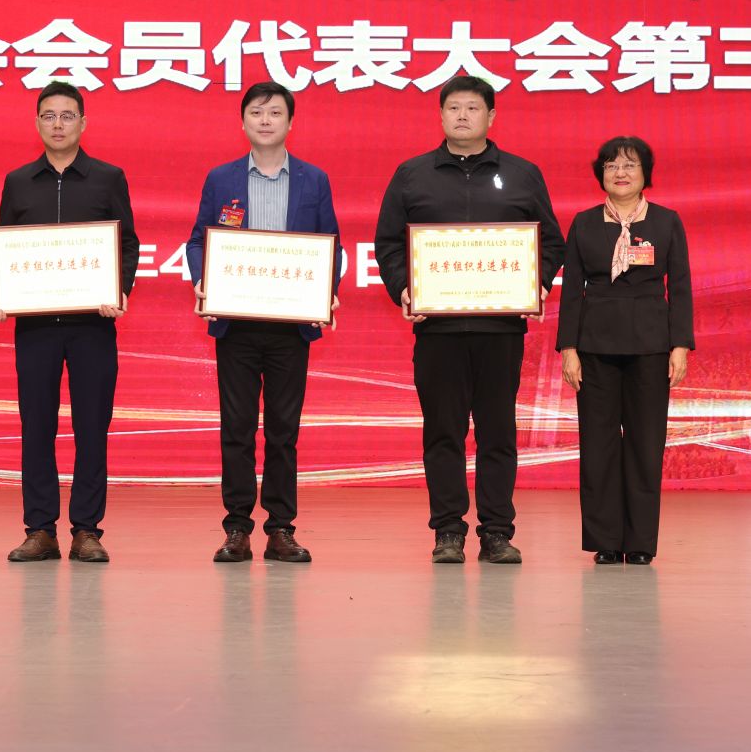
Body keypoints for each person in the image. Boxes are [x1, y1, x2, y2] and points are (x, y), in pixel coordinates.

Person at [373, 75, 566, 564]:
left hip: (500, 329)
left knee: (498, 432)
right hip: (437, 329)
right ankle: (448, 531)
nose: (462, 116)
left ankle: (497, 532)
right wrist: (404, 287)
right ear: (441, 116)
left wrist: (537, 282)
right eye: (454, 108)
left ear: (491, 117)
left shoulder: (522, 174)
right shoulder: (412, 174)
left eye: (473, 108)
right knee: (443, 432)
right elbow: (389, 243)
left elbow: (551, 242)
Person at [185, 82, 341, 564]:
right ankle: (236, 527)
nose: (266, 120)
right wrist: (203, 280)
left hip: (291, 327)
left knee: (282, 431)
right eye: (257, 112)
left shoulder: (314, 179)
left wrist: (326, 289)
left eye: (275, 112)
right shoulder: (222, 178)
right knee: (236, 428)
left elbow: (330, 244)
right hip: (236, 323)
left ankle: (281, 528)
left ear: (291, 122)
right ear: (243, 121)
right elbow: (199, 240)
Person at [0, 81, 139, 563]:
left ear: (83, 123)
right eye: (49, 116)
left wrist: (119, 289)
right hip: (35, 327)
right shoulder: (18, 181)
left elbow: (127, 244)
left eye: (67, 116)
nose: (58, 124)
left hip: (92, 325)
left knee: (92, 428)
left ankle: (87, 529)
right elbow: (5, 247)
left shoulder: (107, 177)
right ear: (37, 123)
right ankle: (40, 529)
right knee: (37, 427)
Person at [557, 136, 693, 566]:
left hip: (651, 347)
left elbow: (681, 287)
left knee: (645, 445)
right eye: (612, 165)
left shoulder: (666, 222)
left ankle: (639, 543)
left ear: (645, 174)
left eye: (630, 165)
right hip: (595, 347)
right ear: (601, 173)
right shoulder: (583, 223)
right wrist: (568, 347)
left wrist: (680, 345)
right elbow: (571, 291)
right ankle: (606, 541)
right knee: (598, 445)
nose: (620, 173)